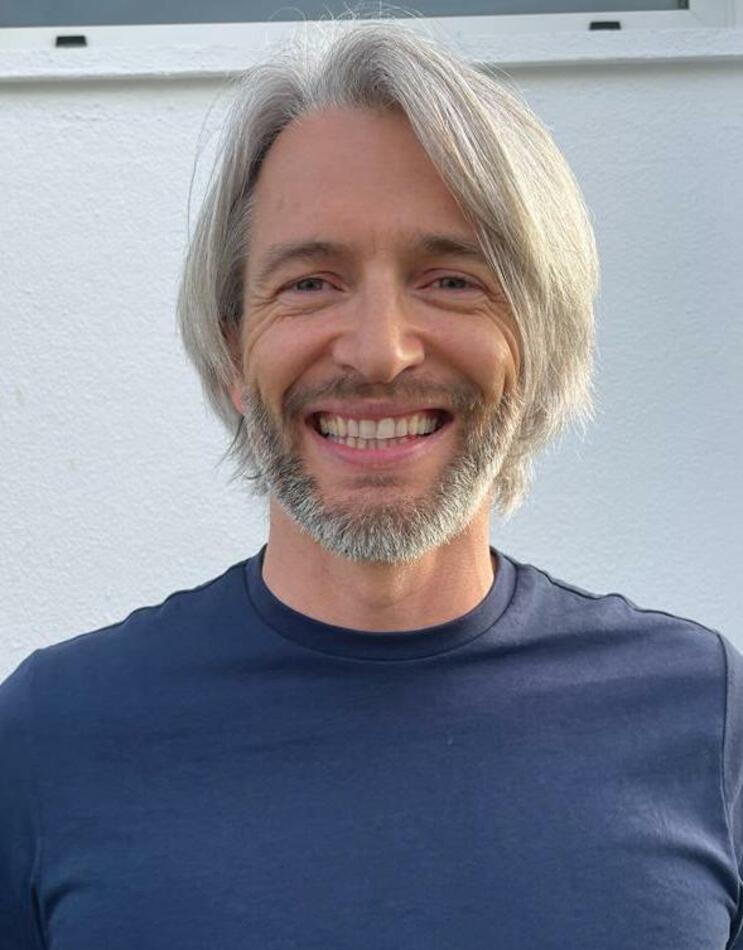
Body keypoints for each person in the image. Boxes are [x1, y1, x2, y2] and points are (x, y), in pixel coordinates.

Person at [1, 17, 741, 950]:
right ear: (232, 352)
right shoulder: (52, 734)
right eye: (310, 283)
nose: (379, 351)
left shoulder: (704, 718)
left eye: (451, 280)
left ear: (539, 341)